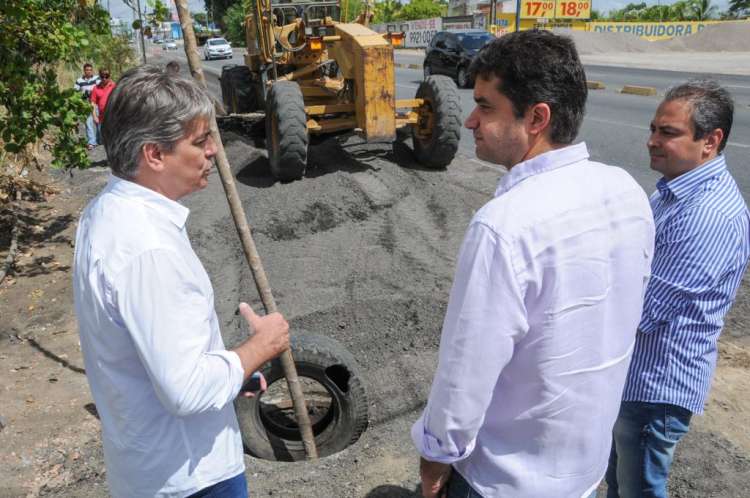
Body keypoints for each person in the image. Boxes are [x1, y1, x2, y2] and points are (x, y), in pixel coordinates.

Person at [411, 30, 656, 498]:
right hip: (583, 473)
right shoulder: (626, 191)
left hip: (502, 480)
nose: (469, 122)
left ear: (537, 117)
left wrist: (435, 462)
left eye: (485, 106)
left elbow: (464, 376)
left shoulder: (504, 225)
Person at [72, 65, 290, 498]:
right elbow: (186, 390)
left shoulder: (105, 212)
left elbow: (153, 356)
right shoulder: (148, 248)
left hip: (149, 468)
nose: (214, 150)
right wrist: (257, 348)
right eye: (199, 140)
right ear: (154, 154)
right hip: (192, 477)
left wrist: (233, 372)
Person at [605, 80, 749, 498]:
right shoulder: (676, 191)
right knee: (620, 483)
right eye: (653, 129)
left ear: (711, 140)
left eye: (668, 133)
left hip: (656, 385)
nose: (652, 141)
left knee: (640, 490)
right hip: (637, 376)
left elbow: (645, 308)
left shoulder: (709, 214)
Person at [74, 63, 100, 149]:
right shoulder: (79, 81)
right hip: (85, 103)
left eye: (90, 70)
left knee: (98, 121)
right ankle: (91, 142)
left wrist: (90, 92)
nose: (88, 71)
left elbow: (100, 88)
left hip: (96, 102)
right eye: (87, 70)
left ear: (92, 70)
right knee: (88, 122)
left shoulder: (97, 78)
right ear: (84, 71)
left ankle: (99, 139)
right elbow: (75, 92)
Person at [90, 68, 116, 149]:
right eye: (102, 76)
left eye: (106, 76)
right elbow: (93, 103)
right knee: (105, 140)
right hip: (102, 118)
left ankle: (115, 158)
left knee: (114, 138)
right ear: (99, 77)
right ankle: (110, 157)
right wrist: (94, 116)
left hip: (113, 117)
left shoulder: (115, 86)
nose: (104, 78)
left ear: (110, 76)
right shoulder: (96, 88)